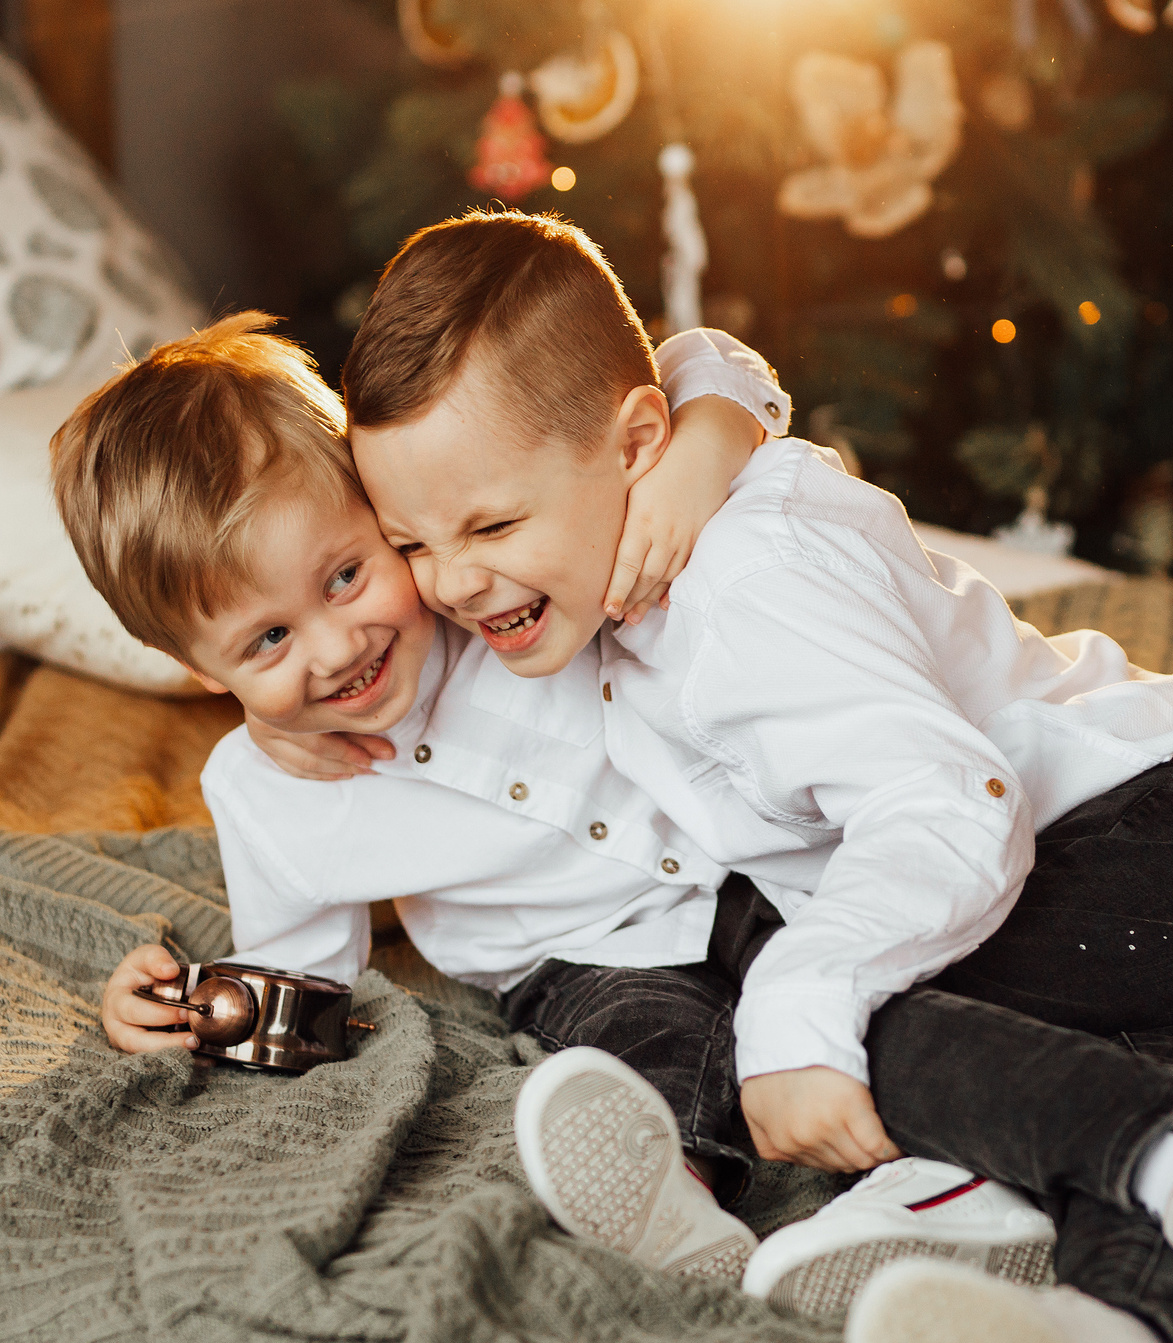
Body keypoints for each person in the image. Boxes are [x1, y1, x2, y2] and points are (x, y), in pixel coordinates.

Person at [249, 210, 1173, 1343]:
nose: (452, 582)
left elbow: (952, 806)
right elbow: (695, 368)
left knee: (818, 998)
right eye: (411, 544)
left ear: (637, 446)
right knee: (1029, 1077)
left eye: (489, 524)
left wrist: (803, 1008)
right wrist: (278, 712)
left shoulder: (745, 579)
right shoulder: (604, 549)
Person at [52, 310, 1051, 1290]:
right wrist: (198, 1011)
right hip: (580, 953)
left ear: (378, 505)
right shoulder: (271, 793)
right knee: (642, 1054)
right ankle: (674, 1208)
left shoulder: (491, 591)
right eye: (265, 643)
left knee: (897, 981)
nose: (334, 647)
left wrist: (704, 450)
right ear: (190, 667)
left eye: (348, 576)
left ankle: (957, 1185)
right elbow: (298, 990)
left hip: (750, 865)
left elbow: (691, 363)